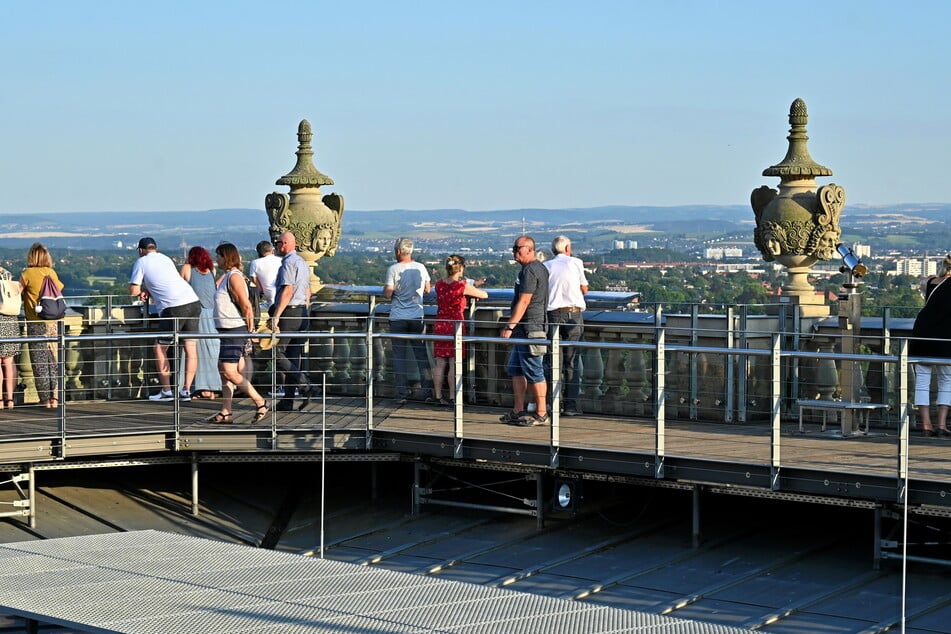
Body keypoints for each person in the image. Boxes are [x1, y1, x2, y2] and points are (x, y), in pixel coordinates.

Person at [129, 237, 201, 401]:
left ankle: (167, 391)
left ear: (140, 250)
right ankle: (186, 391)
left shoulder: (142, 262)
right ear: (155, 248)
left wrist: (142, 290)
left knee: (160, 348)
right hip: (193, 301)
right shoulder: (166, 258)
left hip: (173, 307)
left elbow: (133, 290)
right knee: (190, 348)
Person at [205, 243, 269, 424]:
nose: (217, 260)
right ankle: (226, 412)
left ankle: (260, 401)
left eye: (219, 256)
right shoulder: (228, 276)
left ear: (227, 257)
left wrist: (250, 331)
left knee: (229, 370)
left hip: (234, 330)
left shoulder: (234, 277)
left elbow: (246, 305)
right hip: (227, 330)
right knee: (223, 370)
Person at [500, 236, 550, 426]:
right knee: (516, 369)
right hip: (527, 328)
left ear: (529, 249)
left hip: (530, 328)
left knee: (534, 371)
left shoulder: (530, 271)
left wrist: (509, 325)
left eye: (517, 248)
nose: (514, 252)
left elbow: (525, 300)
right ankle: (518, 410)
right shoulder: (537, 268)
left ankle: (541, 413)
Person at [432, 255, 488, 406]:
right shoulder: (462, 286)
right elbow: (483, 294)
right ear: (461, 268)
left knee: (440, 363)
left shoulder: (438, 285)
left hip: (440, 324)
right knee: (454, 362)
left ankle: (437, 396)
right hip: (455, 325)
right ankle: (452, 396)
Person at [268, 231, 314, 411]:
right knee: (293, 356)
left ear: (285, 244)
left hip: (289, 313)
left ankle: (305, 385)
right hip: (302, 312)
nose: (276, 246)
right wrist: (305, 312)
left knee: (276, 354)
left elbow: (287, 290)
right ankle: (287, 401)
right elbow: (308, 291)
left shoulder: (288, 263)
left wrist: (276, 315)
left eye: (278, 243)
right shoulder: (302, 263)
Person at [383, 237, 433, 404]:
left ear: (398, 251)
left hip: (398, 317)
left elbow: (388, 293)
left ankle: (402, 394)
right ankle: (427, 391)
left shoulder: (393, 269)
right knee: (421, 355)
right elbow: (427, 289)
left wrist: (394, 289)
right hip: (417, 316)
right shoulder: (421, 267)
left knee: (399, 357)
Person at [544, 235, 589, 416]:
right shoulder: (576, 262)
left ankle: (553, 404)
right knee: (571, 362)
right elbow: (584, 288)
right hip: (573, 314)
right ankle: (570, 405)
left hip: (552, 315)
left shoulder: (546, 266)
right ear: (568, 248)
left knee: (553, 362)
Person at [19, 243, 64, 408]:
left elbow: (17, 291)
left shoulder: (27, 273)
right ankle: (55, 398)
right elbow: (59, 288)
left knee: (39, 364)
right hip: (53, 323)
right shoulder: (51, 272)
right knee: (54, 362)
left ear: (32, 256)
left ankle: (45, 400)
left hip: (36, 323)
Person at [910, 254, 951, 436]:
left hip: (923, 334)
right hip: (945, 336)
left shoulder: (931, 281)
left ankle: (926, 424)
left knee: (922, 381)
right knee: (947, 380)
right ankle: (941, 424)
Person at [179, 246, 221, 399]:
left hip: (195, 313)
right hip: (213, 315)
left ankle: (192, 387)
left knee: (191, 351)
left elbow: (178, 288)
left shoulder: (187, 268)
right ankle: (213, 386)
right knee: (211, 351)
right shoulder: (212, 271)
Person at [249, 239, 285, 397]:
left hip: (272, 307)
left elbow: (256, 288)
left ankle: (280, 386)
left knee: (276, 349)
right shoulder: (282, 260)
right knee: (286, 348)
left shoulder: (255, 263)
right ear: (272, 250)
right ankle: (289, 385)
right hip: (286, 305)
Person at [0, 267, 21, 409]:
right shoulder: (7, 273)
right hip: (11, 320)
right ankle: (10, 399)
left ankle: (0, 400)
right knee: (9, 362)